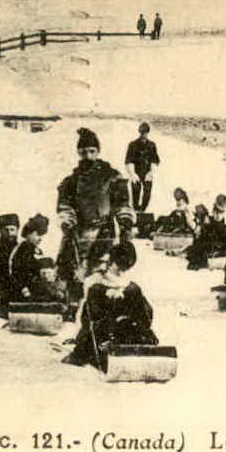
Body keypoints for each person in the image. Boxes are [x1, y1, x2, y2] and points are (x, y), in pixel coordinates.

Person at [56, 127, 134, 318]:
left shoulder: (111, 176)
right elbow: (65, 204)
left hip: (103, 232)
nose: (88, 156)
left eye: (92, 151)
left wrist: (125, 221)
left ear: (98, 152)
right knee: (74, 270)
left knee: (102, 271)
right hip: (79, 231)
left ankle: (100, 311)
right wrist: (67, 220)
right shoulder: (71, 181)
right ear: (78, 153)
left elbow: (122, 202)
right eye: (84, 152)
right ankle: (72, 308)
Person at [63, 242, 157, 369]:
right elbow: (91, 314)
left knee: (134, 293)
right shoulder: (95, 281)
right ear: (111, 262)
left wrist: (130, 318)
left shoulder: (130, 285)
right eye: (119, 266)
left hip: (125, 327)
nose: (121, 271)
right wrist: (106, 296)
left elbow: (144, 312)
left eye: (125, 268)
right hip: (103, 327)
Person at [186, 195, 226, 270]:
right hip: (207, 253)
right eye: (216, 211)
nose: (218, 215)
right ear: (213, 211)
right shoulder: (208, 224)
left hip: (216, 253)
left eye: (221, 212)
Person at [9, 214, 51, 303]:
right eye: (37, 235)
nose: (40, 239)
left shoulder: (37, 251)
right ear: (28, 233)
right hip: (21, 291)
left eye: (42, 236)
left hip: (33, 289)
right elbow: (14, 273)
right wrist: (23, 289)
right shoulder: (21, 250)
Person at [124, 122, 161, 213]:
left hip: (147, 173)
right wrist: (132, 174)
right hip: (136, 172)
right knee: (135, 192)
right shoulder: (133, 145)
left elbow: (155, 160)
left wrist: (151, 173)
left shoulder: (152, 145)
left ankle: (143, 210)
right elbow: (129, 160)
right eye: (142, 133)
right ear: (139, 132)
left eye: (145, 133)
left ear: (148, 133)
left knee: (147, 193)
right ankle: (136, 210)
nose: (143, 135)